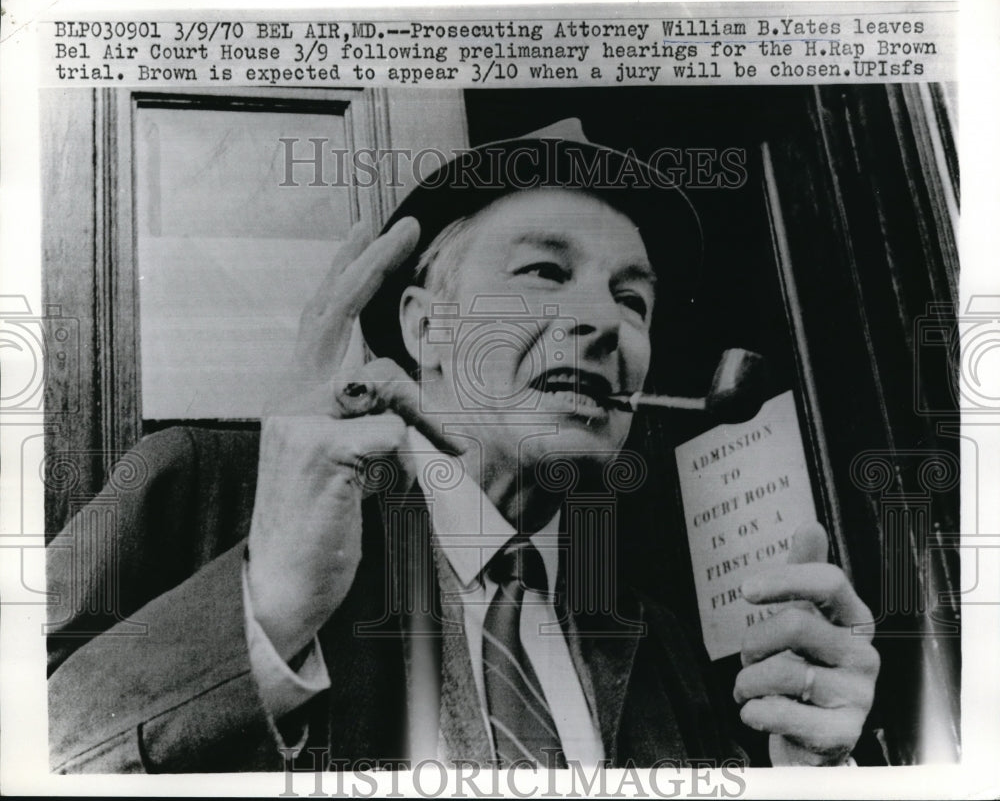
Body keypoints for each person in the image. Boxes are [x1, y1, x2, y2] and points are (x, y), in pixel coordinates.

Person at [46, 121, 879, 773]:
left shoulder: (653, 637)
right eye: (544, 272)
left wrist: (804, 773)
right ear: (424, 326)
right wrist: (265, 610)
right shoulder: (202, 491)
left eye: (633, 299)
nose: (602, 323)